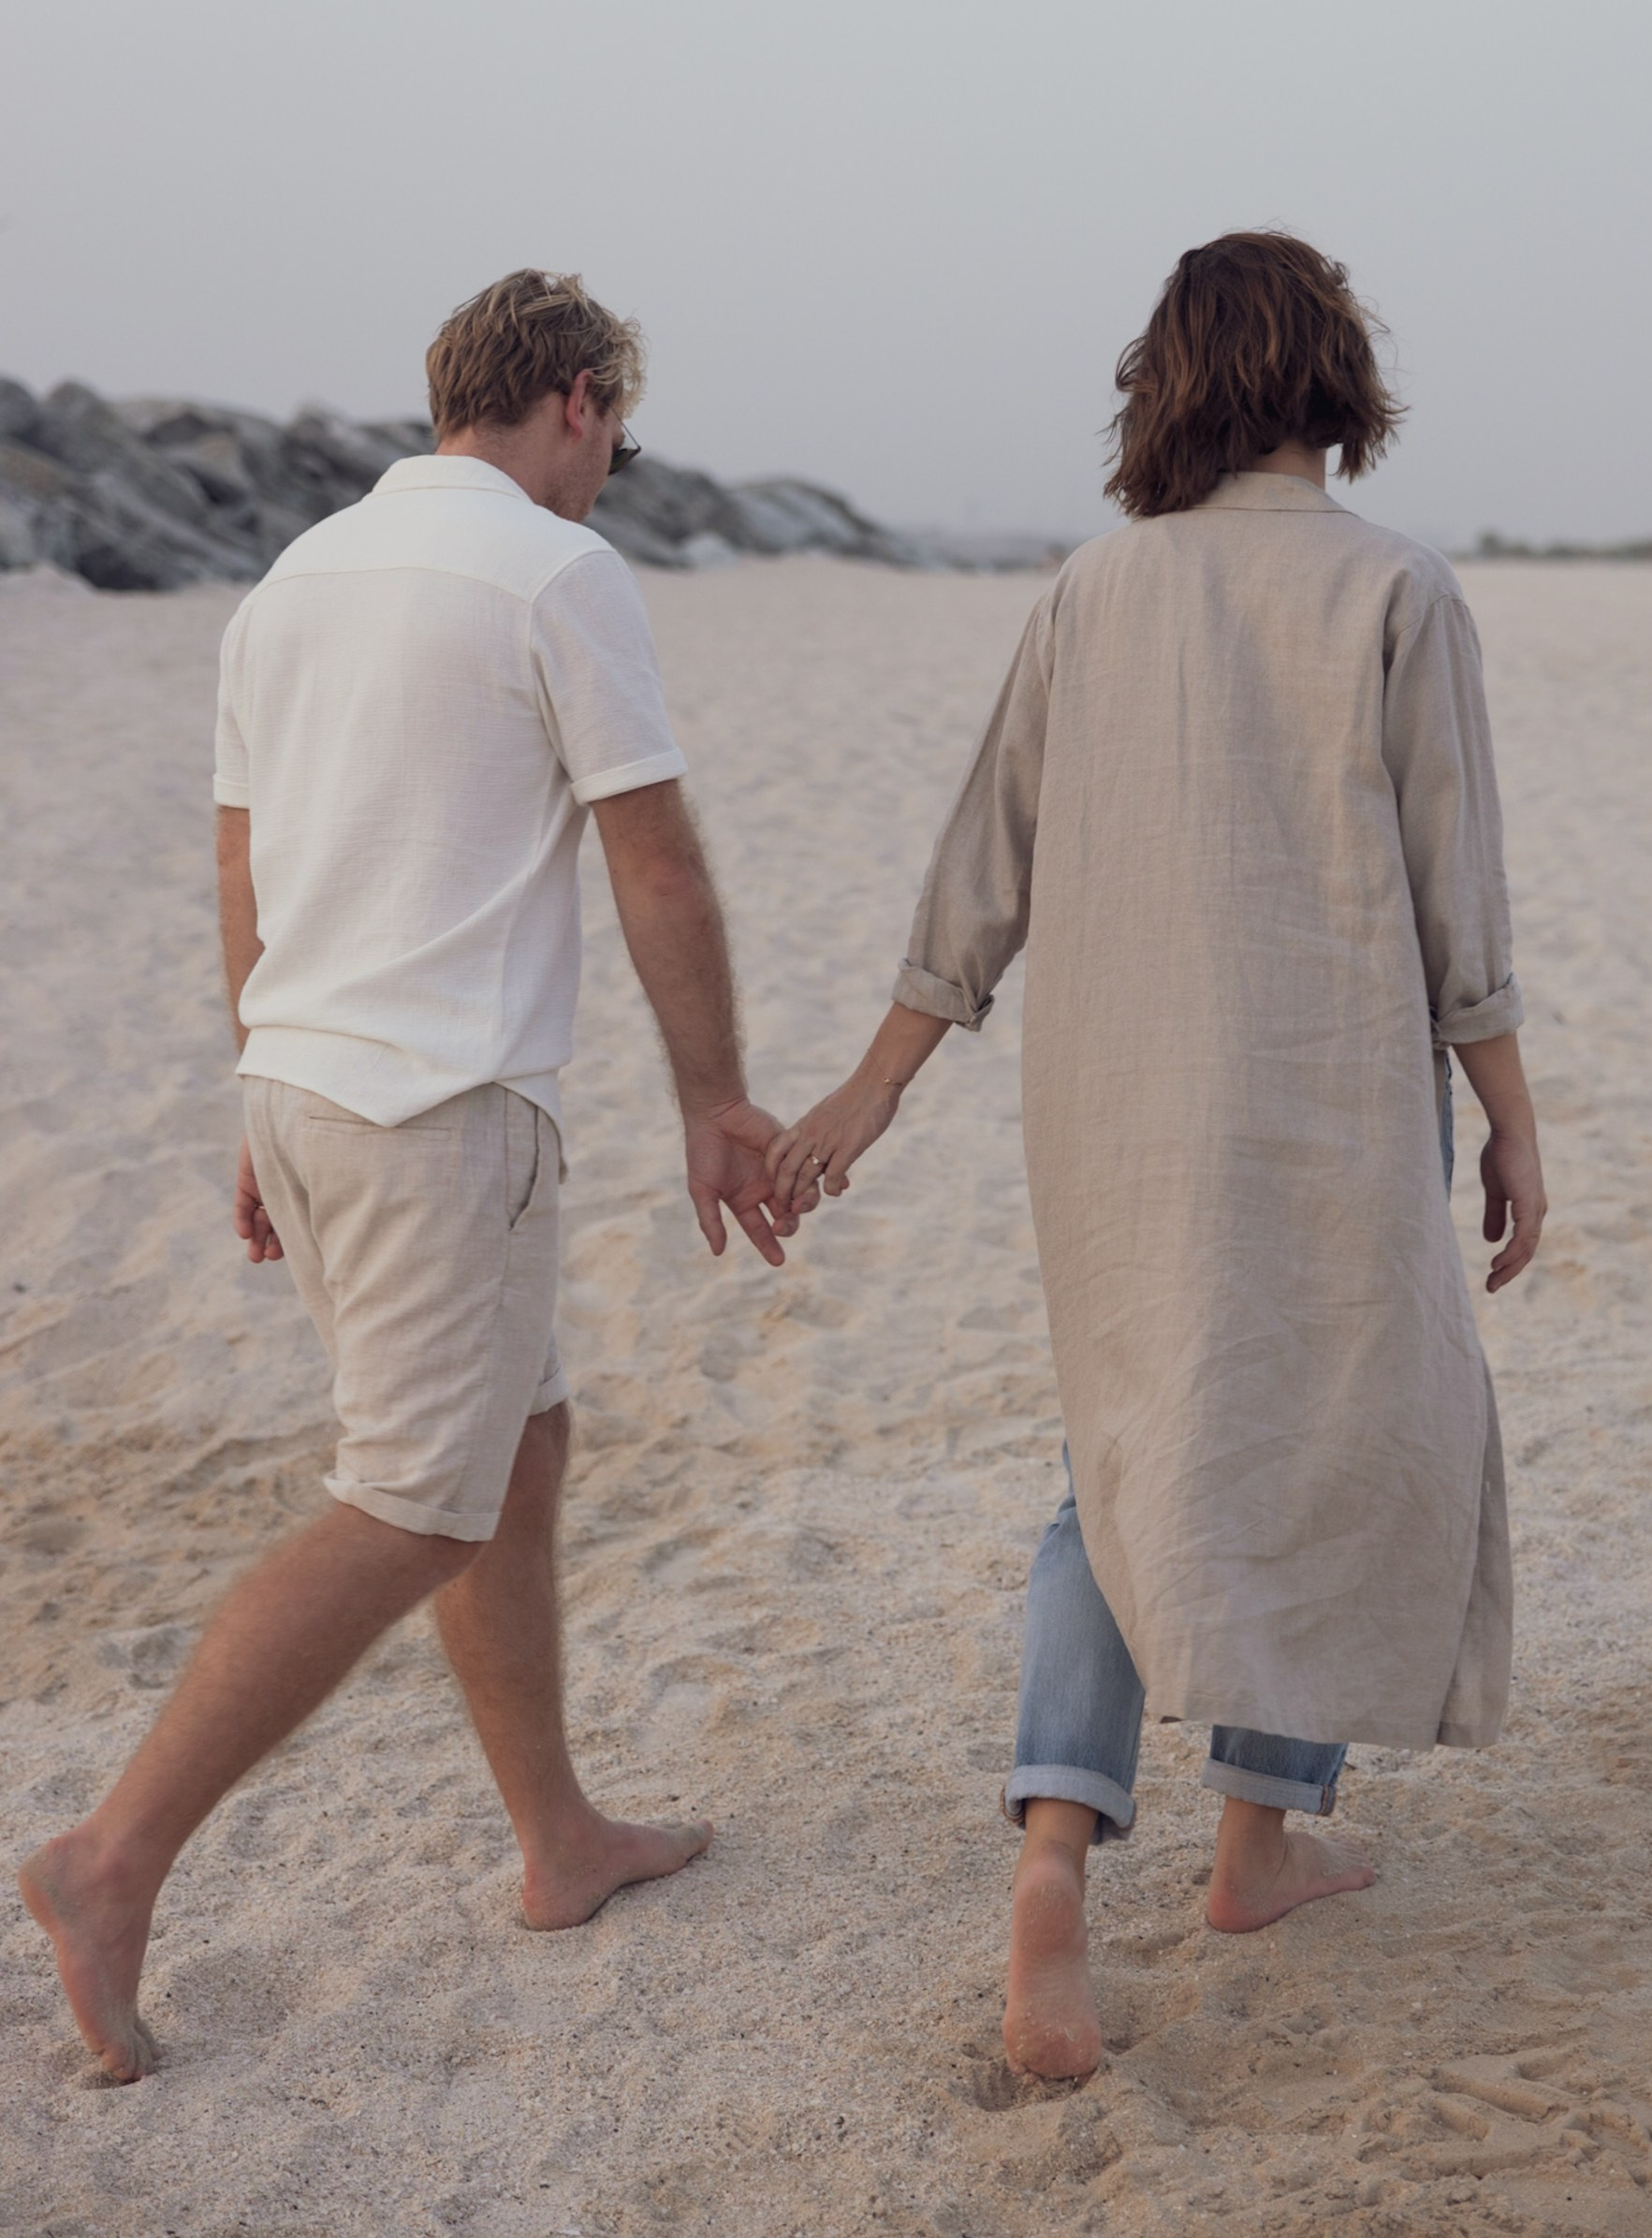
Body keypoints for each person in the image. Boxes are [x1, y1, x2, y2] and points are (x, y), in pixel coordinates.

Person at [767, 230, 1545, 2080]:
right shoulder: (1397, 589)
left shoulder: (1091, 589)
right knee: (1328, 1436)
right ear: (1333, 376)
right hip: (1329, 1099)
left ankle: (1055, 1857)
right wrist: (1515, 1112)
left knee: (1119, 1459)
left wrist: (874, 1089)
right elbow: (1458, 898)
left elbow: (983, 866)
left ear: (1172, 382)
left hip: (1112, 1106)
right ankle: (1256, 1843)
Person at [20, 270, 808, 2084]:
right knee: (414, 1503)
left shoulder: (292, 580)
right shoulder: (555, 571)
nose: (609, 467)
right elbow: (656, 864)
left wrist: (255, 1093)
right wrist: (716, 1097)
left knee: (518, 1440)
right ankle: (110, 1858)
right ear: (580, 398)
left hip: (305, 1085)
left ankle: (557, 1840)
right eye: (616, 432)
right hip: (437, 1109)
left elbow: (246, 868)